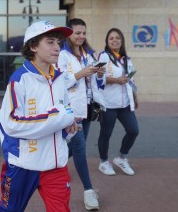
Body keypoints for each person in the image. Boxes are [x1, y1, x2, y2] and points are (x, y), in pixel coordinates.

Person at [0, 21, 79, 212]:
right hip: (23, 164)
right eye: (50, 42)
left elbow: (66, 112)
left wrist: (68, 127)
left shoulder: (60, 78)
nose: (57, 47)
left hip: (56, 165)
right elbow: (11, 124)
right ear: (33, 46)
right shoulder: (20, 80)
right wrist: (62, 118)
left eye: (58, 42)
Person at [57, 18, 104, 210]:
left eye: (83, 33)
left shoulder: (87, 54)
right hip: (72, 109)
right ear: (69, 34)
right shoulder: (62, 55)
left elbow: (97, 84)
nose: (81, 36)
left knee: (74, 147)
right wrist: (79, 74)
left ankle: (47, 167)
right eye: (77, 33)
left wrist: (99, 74)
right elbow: (59, 83)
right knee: (80, 149)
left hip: (87, 108)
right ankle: (88, 191)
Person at [97, 28, 139, 176]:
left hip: (125, 103)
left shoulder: (127, 59)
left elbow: (130, 79)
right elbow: (98, 78)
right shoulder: (103, 57)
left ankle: (121, 157)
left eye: (117, 38)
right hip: (108, 103)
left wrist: (134, 96)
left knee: (133, 130)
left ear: (122, 40)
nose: (114, 40)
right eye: (111, 38)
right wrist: (116, 80)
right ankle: (103, 162)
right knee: (106, 133)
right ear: (107, 42)